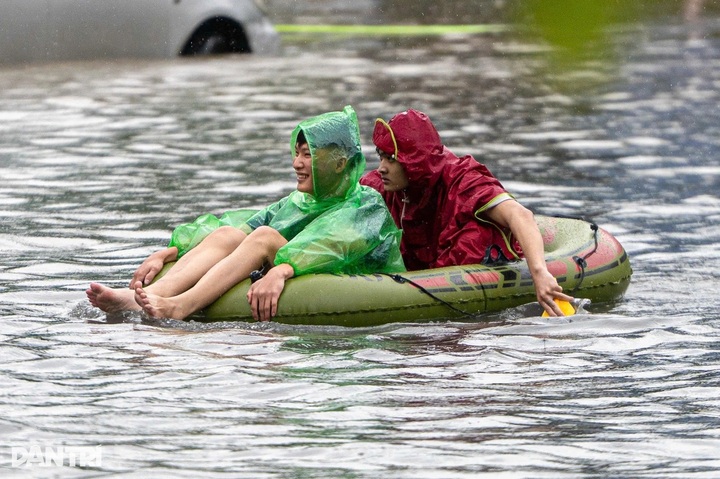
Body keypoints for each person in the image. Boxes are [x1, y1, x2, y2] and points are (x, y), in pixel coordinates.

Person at [87, 105, 404, 321]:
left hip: (354, 277)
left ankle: (179, 306)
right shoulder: (300, 202)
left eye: (308, 156)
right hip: (294, 260)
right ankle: (150, 295)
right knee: (229, 233)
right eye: (296, 154)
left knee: (264, 237)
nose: (296, 164)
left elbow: (329, 244)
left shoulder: (366, 206)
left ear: (337, 163)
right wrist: (168, 251)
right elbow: (241, 224)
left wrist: (282, 270)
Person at [360, 108, 573, 316]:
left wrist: (539, 273)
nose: (381, 167)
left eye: (391, 159)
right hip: (421, 271)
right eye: (381, 157)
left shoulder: (462, 180)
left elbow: (520, 215)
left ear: (414, 162)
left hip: (473, 269)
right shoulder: (381, 189)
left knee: (475, 234)